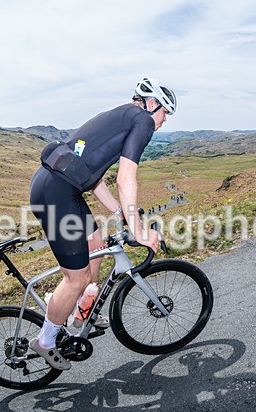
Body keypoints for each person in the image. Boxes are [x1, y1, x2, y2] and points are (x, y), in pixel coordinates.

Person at [28, 78, 176, 370]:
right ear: (151, 104)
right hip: (57, 195)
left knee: (95, 245)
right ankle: (45, 341)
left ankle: (78, 313)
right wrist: (137, 229)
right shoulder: (142, 122)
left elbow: (91, 175)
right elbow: (125, 177)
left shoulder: (119, 116)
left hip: (58, 188)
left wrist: (119, 210)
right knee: (77, 278)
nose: (164, 120)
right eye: (165, 112)